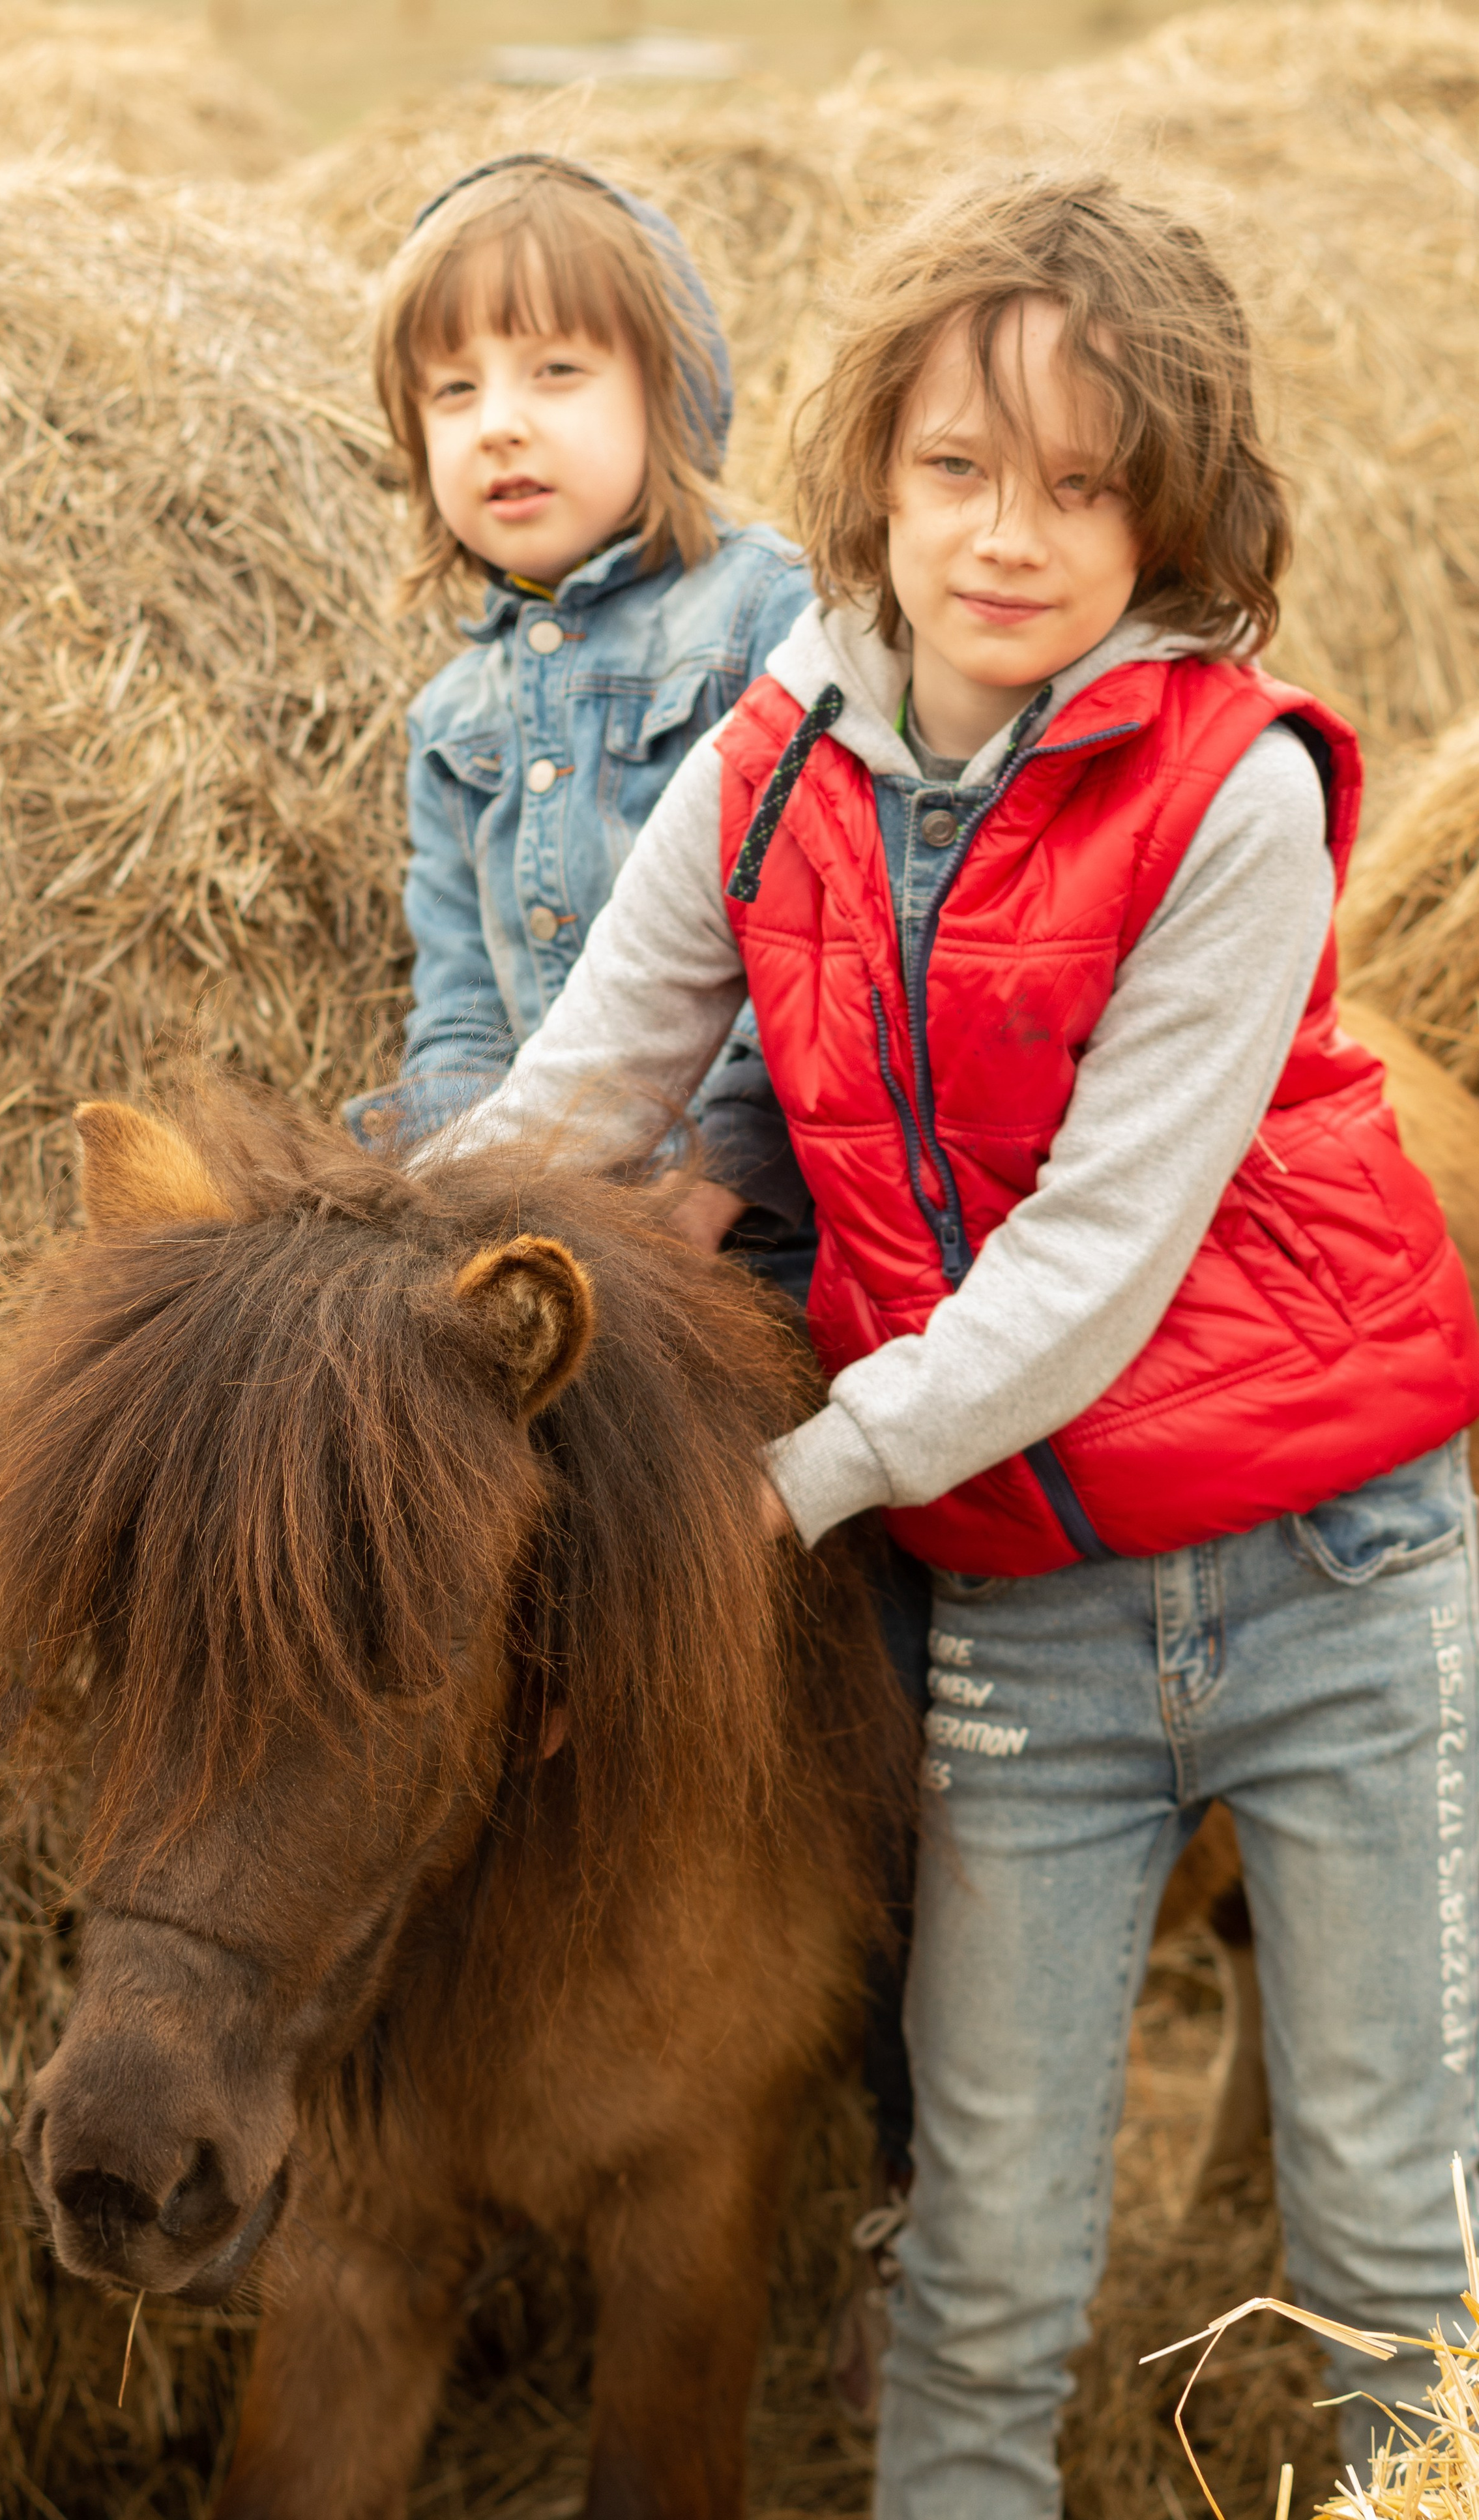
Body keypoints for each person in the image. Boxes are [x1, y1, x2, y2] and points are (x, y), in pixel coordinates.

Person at [422, 173, 1479, 2518]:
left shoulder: (1242, 790)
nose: (1008, 535)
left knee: (1391, 2242)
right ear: (871, 473)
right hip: (1028, 1614)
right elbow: (582, 1090)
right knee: (982, 2270)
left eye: (1084, 485)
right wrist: (362, 1282)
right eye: (958, 467)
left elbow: (1088, 1267)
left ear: (1172, 510)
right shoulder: (772, 762)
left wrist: (782, 1488)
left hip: (1334, 1582)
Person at [345, 151, 813, 1280]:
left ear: (670, 395)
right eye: (454, 391)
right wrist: (446, 1210)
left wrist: (716, 1179)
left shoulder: (768, 618)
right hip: (546, 1225)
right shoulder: (453, 720)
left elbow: (816, 952)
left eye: (555, 371)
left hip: (758, 1224)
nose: (497, 424)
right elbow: (463, 1014)